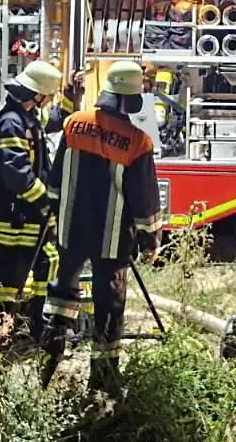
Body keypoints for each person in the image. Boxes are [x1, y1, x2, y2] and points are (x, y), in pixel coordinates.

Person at [40, 60, 164, 394]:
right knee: (110, 303)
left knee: (62, 292)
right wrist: (151, 240)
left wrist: (52, 214)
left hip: (70, 230)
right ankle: (104, 378)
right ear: (131, 99)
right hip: (111, 241)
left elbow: (54, 181)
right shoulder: (138, 142)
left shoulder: (73, 125)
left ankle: (49, 357)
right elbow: (145, 201)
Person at [0, 60, 82, 345]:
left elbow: (55, 122)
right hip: (15, 220)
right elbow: (18, 176)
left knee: (47, 261)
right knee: (9, 278)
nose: (47, 101)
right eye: (47, 96)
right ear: (36, 94)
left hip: (26, 216)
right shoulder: (11, 124)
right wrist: (45, 202)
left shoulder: (26, 117)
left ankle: (39, 327)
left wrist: (71, 96)